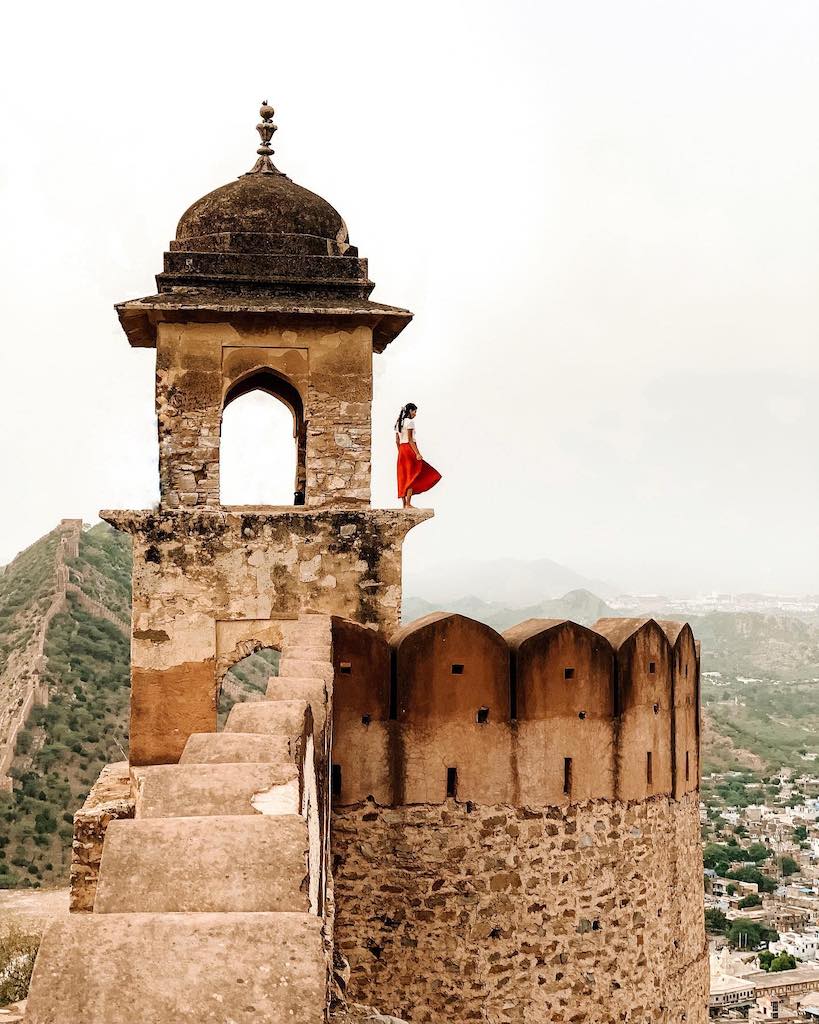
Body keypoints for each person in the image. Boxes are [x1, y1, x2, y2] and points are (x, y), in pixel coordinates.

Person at [395, 403, 441, 508]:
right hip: (409, 449)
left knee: (403, 476)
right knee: (412, 475)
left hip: (402, 450)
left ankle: (404, 504)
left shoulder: (398, 423)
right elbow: (411, 440)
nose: (415, 414)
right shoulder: (410, 422)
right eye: (415, 411)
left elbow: (397, 441)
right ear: (410, 411)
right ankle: (408, 503)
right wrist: (417, 453)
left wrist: (401, 452)